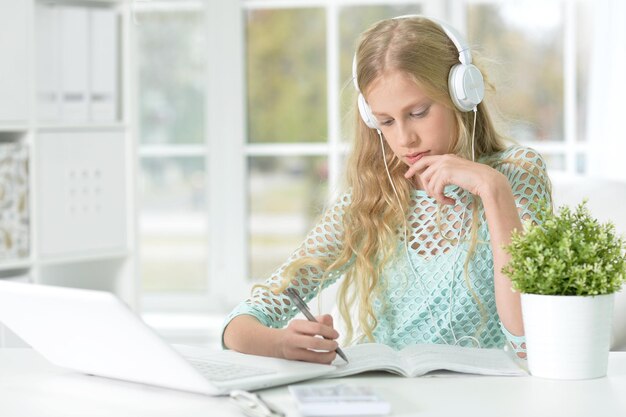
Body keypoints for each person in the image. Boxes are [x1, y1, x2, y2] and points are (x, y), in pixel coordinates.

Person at [222, 15, 551, 364]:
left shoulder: (515, 173)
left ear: (462, 94)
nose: (404, 138)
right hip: (384, 395)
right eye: (387, 122)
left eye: (419, 112)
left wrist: (492, 189)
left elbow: (528, 342)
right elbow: (239, 325)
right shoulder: (370, 198)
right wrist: (280, 344)